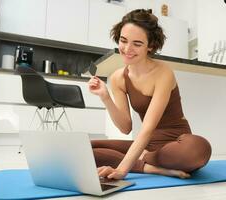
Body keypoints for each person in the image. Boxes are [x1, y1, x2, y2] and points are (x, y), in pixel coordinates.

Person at [88, 9, 211, 180]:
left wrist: (122, 170)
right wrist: (105, 97)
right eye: (123, 41)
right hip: (148, 144)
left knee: (198, 149)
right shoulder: (118, 78)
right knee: (85, 148)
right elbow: (125, 127)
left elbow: (147, 128)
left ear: (150, 46)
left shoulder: (163, 73)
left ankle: (145, 158)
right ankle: (151, 168)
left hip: (176, 144)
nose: (127, 49)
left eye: (137, 44)